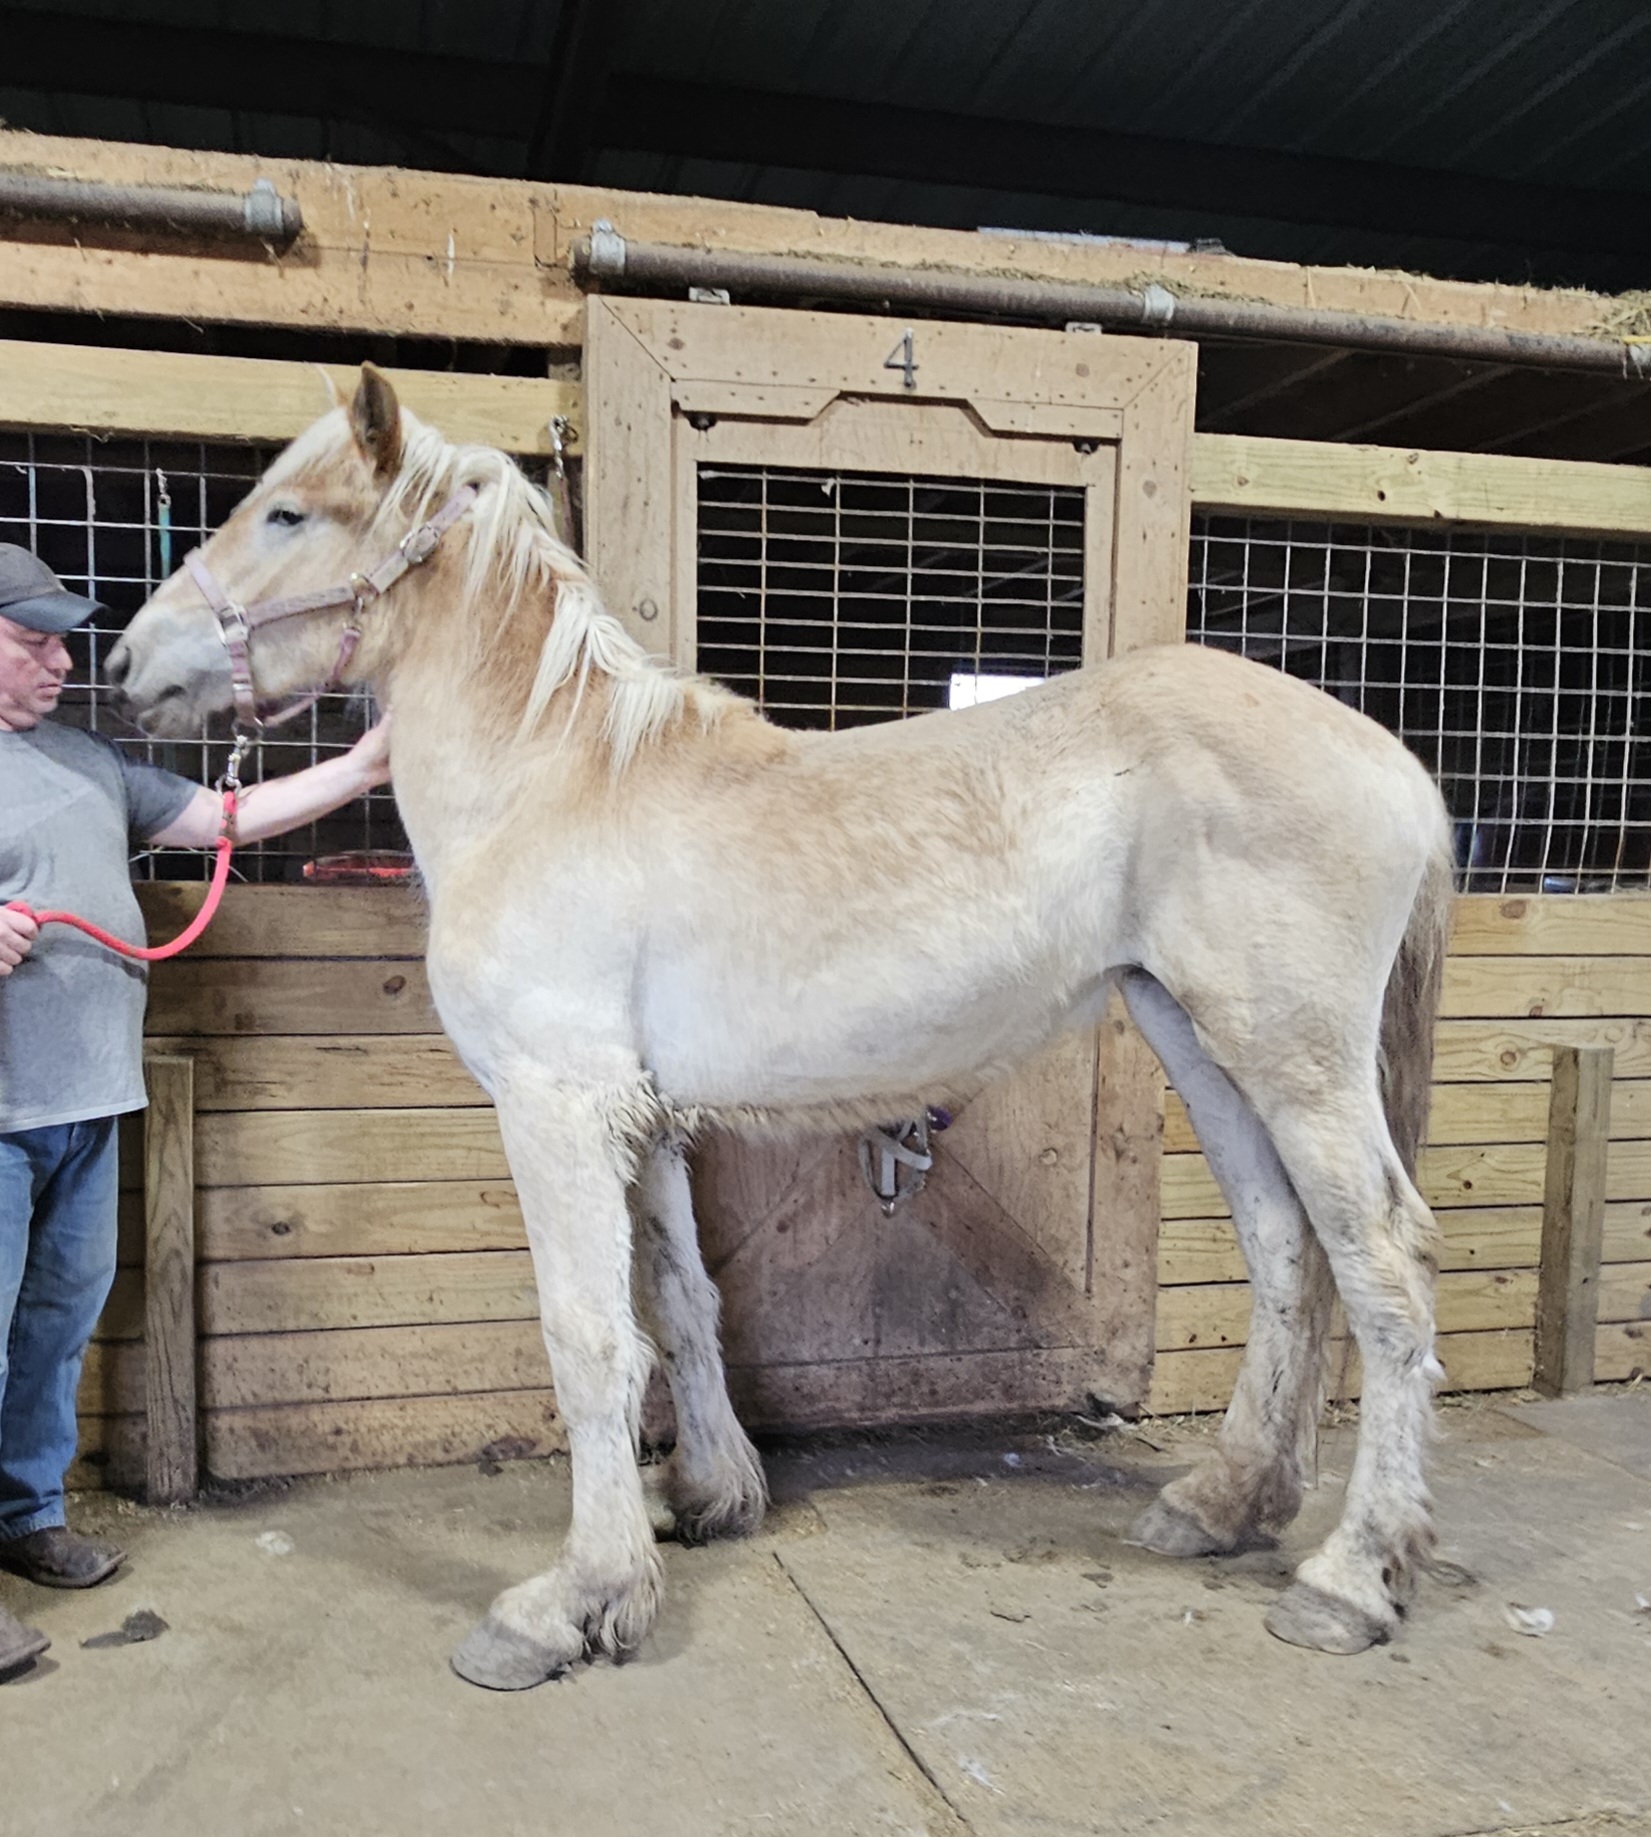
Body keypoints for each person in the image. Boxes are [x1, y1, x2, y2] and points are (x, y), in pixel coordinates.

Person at [0, 544, 392, 1678]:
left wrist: (363, 766)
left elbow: (226, 818)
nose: (61, 662)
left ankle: (27, 1516)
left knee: (58, 1318)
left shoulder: (88, 760)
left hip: (89, 1099)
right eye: (32, 644)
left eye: (59, 640)